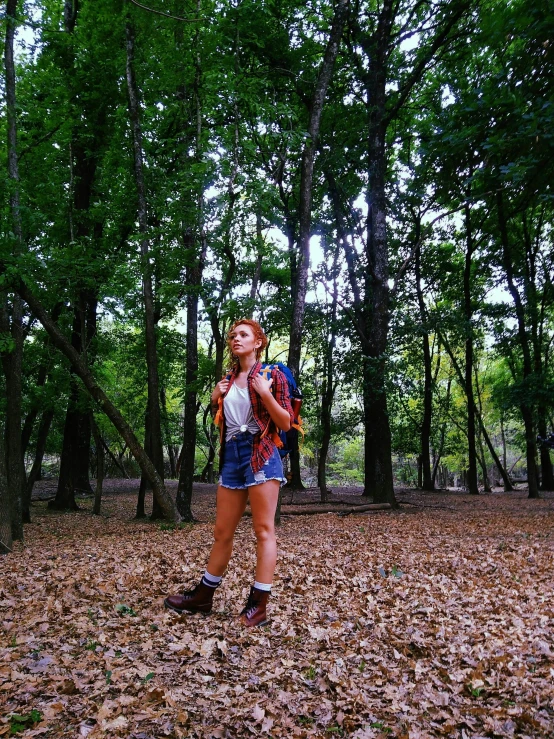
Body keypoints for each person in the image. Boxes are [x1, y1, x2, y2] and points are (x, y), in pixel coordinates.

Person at [164, 319, 294, 627]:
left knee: (264, 531)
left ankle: (258, 606)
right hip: (233, 455)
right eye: (233, 335)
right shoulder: (228, 378)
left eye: (243, 334)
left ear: (258, 342)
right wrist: (213, 400)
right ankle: (203, 596)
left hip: (262, 453)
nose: (236, 338)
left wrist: (266, 394)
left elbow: (286, 422)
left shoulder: (271, 375)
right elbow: (226, 423)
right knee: (222, 532)